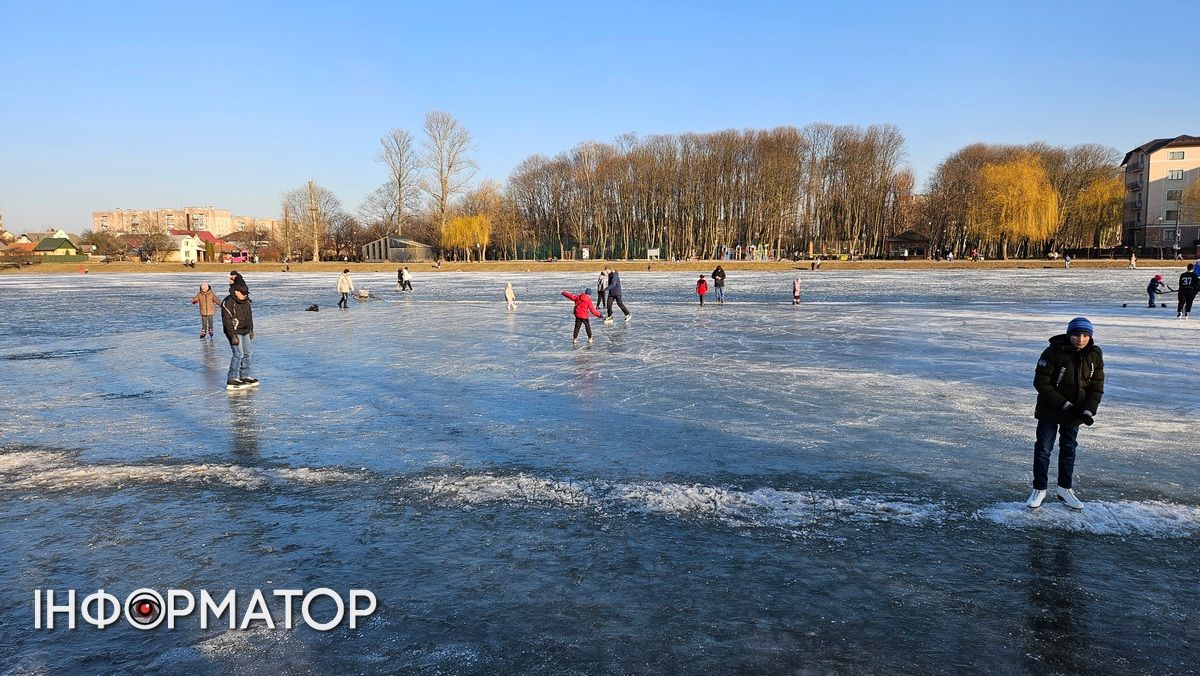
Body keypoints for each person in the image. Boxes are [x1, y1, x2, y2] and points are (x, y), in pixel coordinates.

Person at [1027, 317, 1103, 510]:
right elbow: (1041, 383)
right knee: (1044, 449)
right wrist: (1065, 405)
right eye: (1077, 335)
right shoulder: (1053, 352)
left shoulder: (1094, 355)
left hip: (1075, 412)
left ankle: (1064, 488)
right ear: (1070, 335)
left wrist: (1087, 410)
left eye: (1085, 335)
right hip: (1050, 410)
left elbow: (1096, 387)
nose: (1081, 339)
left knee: (1069, 450)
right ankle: (1039, 488)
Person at [219, 280, 257, 388]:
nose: (244, 296)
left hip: (245, 330)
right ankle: (232, 378)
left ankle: (244, 376)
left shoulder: (246, 301)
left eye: (246, 294)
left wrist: (251, 329)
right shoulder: (228, 302)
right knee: (238, 354)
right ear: (236, 292)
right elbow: (227, 320)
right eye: (243, 293)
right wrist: (233, 335)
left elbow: (249, 316)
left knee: (247, 353)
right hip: (234, 332)